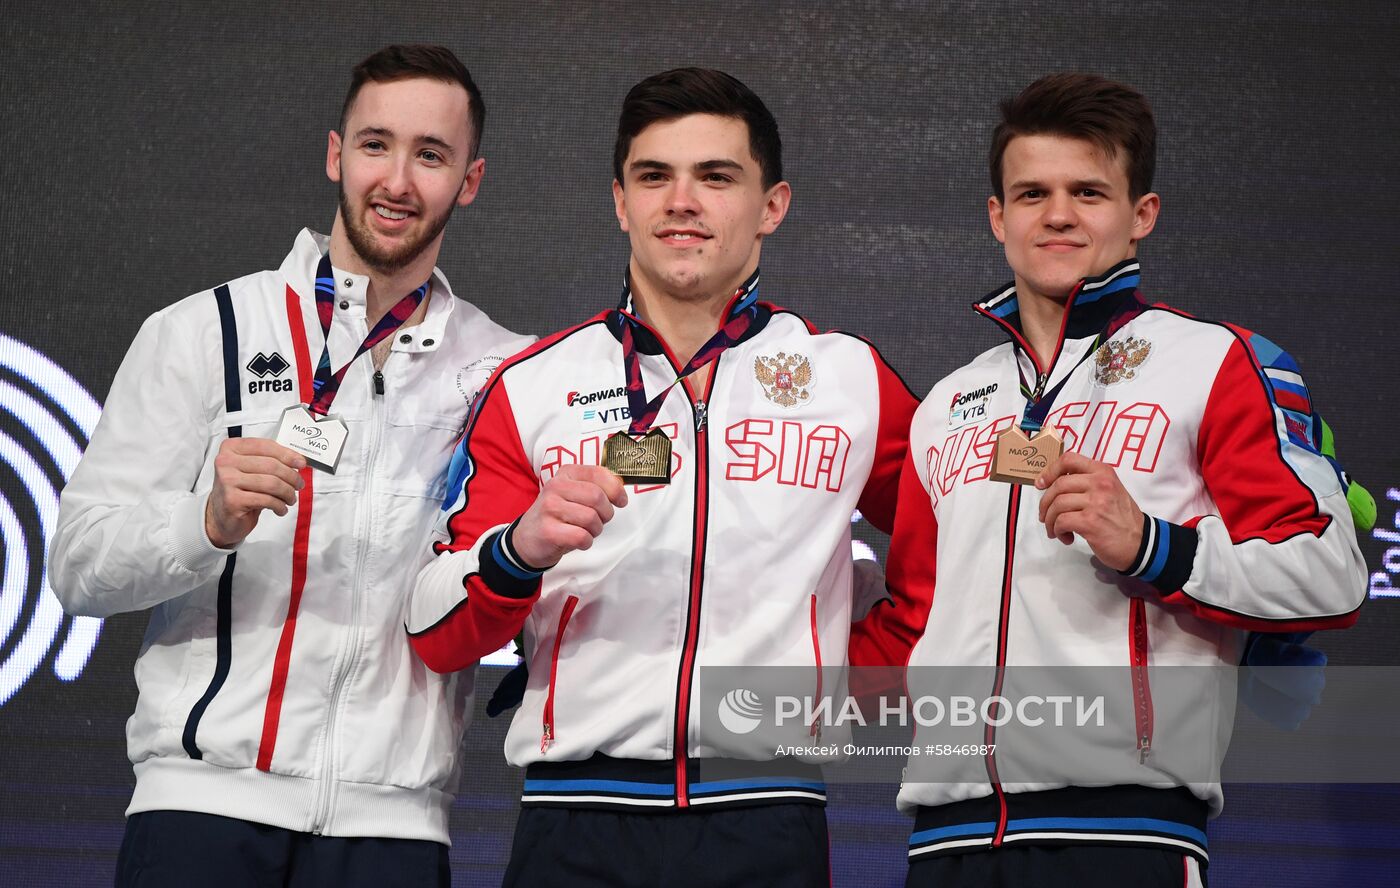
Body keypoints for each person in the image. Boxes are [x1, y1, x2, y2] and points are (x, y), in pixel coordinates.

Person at [849, 72, 1368, 887]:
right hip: (945, 843)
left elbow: (1330, 574)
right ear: (999, 218)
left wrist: (1153, 547)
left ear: (1141, 215)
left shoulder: (1216, 362)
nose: (1058, 214)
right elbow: (915, 626)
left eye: (1089, 191)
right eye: (1032, 193)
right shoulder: (949, 403)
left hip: (1127, 836)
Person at [406, 67, 918, 887]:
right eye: (655, 176)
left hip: (770, 817)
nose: (682, 200)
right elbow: (435, 634)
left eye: (716, 176)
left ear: (772, 206)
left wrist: (843, 677)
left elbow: (957, 550)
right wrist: (518, 549)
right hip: (576, 820)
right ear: (621, 202)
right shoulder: (536, 383)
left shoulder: (849, 380)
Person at [49, 45, 531, 887]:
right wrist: (205, 521)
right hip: (201, 811)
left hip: (397, 826)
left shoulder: (505, 371)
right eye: (376, 145)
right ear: (335, 153)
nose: (398, 181)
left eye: (431, 155)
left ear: (471, 179)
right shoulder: (202, 331)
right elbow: (79, 566)